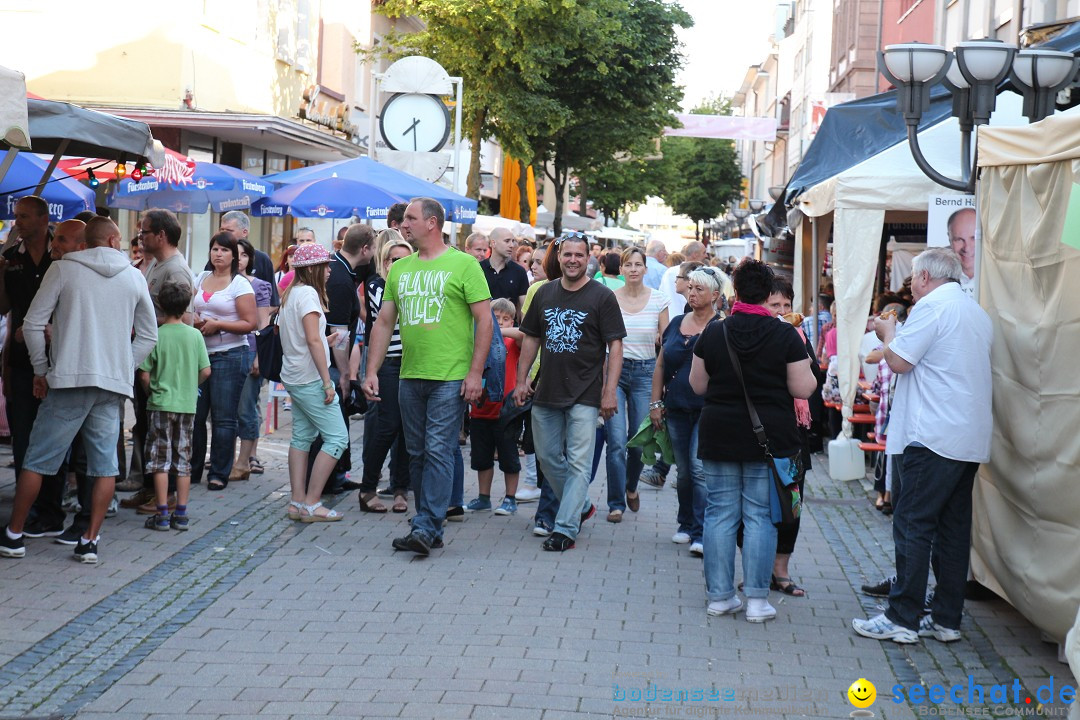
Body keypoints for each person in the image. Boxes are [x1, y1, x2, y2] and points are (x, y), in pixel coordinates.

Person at [852, 248, 992, 645]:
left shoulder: (932, 308)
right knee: (951, 529)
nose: (910, 286)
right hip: (966, 436)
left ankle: (902, 615)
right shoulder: (975, 311)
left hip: (931, 435)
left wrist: (886, 333)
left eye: (913, 277)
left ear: (927, 277)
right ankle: (946, 617)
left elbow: (898, 361)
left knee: (913, 524)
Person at [0, 217, 157, 563]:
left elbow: (32, 325)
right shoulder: (134, 276)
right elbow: (149, 336)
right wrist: (121, 365)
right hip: (109, 385)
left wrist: (41, 369)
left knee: (38, 460)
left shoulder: (63, 269)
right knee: (104, 467)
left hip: (68, 379)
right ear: (115, 240)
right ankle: (90, 540)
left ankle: (14, 535)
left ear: (87, 241)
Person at [363, 197, 492, 556]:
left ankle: (426, 525)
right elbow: (384, 322)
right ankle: (428, 525)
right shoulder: (401, 270)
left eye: (411, 218)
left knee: (438, 451)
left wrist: (475, 372)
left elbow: (485, 320)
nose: (404, 224)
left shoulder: (464, 265)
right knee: (417, 452)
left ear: (432, 223)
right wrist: (371, 370)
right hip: (409, 375)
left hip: (450, 377)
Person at [689, 258, 816, 621]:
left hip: (719, 434)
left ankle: (720, 597)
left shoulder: (715, 332)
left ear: (736, 292)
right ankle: (758, 601)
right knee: (761, 516)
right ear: (767, 295)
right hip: (769, 439)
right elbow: (804, 387)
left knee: (719, 515)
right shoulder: (785, 335)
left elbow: (697, 385)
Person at [513, 233, 626, 551]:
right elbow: (531, 339)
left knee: (578, 462)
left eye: (580, 255)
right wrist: (522, 381)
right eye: (568, 255)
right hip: (546, 389)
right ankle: (582, 505)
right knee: (548, 458)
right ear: (558, 256)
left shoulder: (602, 296)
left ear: (589, 258)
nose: (573, 260)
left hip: (586, 394)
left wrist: (610, 390)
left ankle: (565, 528)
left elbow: (615, 346)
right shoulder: (544, 293)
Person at [0, 196, 67, 538]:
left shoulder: (64, 254)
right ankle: (28, 512)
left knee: (54, 439)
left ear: (44, 219)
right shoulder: (11, 259)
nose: (18, 221)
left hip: (60, 360)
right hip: (22, 362)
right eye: (17, 216)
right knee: (25, 439)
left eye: (24, 216)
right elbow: (3, 308)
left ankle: (53, 511)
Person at [121, 209, 195, 511]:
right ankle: (149, 487)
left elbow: (184, 319)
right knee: (145, 425)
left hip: (159, 364)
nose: (141, 237)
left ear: (161, 236)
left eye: (145, 232)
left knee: (164, 433)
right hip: (147, 356)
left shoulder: (175, 270)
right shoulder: (156, 264)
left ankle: (165, 496)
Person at [650, 267, 722, 556]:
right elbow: (660, 365)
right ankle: (685, 523)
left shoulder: (721, 327)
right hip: (676, 407)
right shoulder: (677, 322)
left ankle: (702, 532)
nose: (692, 293)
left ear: (715, 295)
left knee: (698, 469)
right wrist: (655, 403)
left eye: (699, 289)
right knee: (683, 473)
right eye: (690, 287)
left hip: (708, 409)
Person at [278, 243, 349, 522]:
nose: (330, 271)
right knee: (337, 438)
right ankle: (312, 502)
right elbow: (310, 339)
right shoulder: (308, 294)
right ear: (312, 270)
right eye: (325, 266)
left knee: (302, 437)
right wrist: (327, 382)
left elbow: (305, 338)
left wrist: (326, 340)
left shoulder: (292, 293)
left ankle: (298, 503)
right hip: (309, 378)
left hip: (295, 374)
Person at [762, 277, 821, 597]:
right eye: (775, 305)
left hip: (795, 436)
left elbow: (815, 382)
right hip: (762, 434)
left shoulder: (799, 336)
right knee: (758, 505)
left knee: (792, 503)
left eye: (787, 305)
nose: (783, 311)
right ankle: (760, 568)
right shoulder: (758, 336)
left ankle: (780, 569)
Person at [600, 246, 668, 523]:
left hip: (645, 373)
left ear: (645, 269)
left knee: (638, 442)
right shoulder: (609, 299)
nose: (633, 269)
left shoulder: (659, 299)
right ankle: (616, 503)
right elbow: (602, 341)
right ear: (622, 268)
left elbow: (666, 345)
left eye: (638, 265)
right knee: (615, 442)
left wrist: (661, 390)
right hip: (616, 372)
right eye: (628, 265)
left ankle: (631, 486)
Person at [138, 282, 212, 531]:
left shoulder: (156, 335)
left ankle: (161, 513)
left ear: (161, 305)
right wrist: (192, 386)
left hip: (160, 403)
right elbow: (206, 370)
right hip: (186, 404)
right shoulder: (195, 335)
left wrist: (152, 393)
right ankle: (181, 513)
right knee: (183, 459)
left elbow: (145, 375)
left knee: (160, 459)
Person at [190, 233, 257, 491]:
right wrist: (194, 321)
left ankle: (219, 472)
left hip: (230, 355)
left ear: (233, 256)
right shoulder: (200, 278)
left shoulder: (239, 285)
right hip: (199, 355)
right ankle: (193, 470)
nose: (218, 254)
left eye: (224, 250)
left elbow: (250, 323)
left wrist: (218, 325)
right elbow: (190, 308)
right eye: (214, 249)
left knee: (223, 417)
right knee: (196, 415)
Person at [360, 237, 414, 514]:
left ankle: (400, 488)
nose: (401, 264)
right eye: (395, 259)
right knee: (387, 426)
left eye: (407, 259)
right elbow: (389, 316)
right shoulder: (377, 285)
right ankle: (368, 487)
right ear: (384, 262)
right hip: (390, 364)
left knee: (407, 429)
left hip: (414, 363)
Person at [464, 298, 522, 517]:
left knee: (509, 457)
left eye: (505, 319)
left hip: (505, 411)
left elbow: (523, 336)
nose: (500, 322)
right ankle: (483, 497)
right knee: (481, 457)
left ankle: (510, 498)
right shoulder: (478, 343)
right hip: (480, 409)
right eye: (495, 318)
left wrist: (496, 331)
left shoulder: (509, 343)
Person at [230, 237, 274, 481]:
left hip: (249, 352)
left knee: (246, 409)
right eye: (235, 255)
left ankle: (243, 461)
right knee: (224, 411)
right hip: (220, 352)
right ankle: (224, 458)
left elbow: (263, 324)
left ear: (249, 259)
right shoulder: (214, 283)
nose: (239, 260)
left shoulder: (259, 286)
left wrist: (259, 356)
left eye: (243, 255)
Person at [219, 211, 280, 309]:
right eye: (222, 230)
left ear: (245, 232)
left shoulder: (262, 259)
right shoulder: (217, 258)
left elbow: (273, 303)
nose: (224, 235)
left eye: (229, 231)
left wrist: (250, 318)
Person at [481, 228, 529, 316]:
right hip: (483, 325)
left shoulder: (519, 272)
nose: (512, 245)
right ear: (493, 243)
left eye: (513, 241)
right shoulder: (479, 269)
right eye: (507, 241)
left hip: (510, 327)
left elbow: (523, 309)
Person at [660, 242, 706, 309]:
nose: (706, 256)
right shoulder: (700, 273)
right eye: (704, 252)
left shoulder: (669, 272)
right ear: (695, 254)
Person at [947, 207, 977, 295]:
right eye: (959, 239)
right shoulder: (936, 277)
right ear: (949, 239)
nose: (967, 248)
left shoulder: (1002, 276)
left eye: (974, 238)